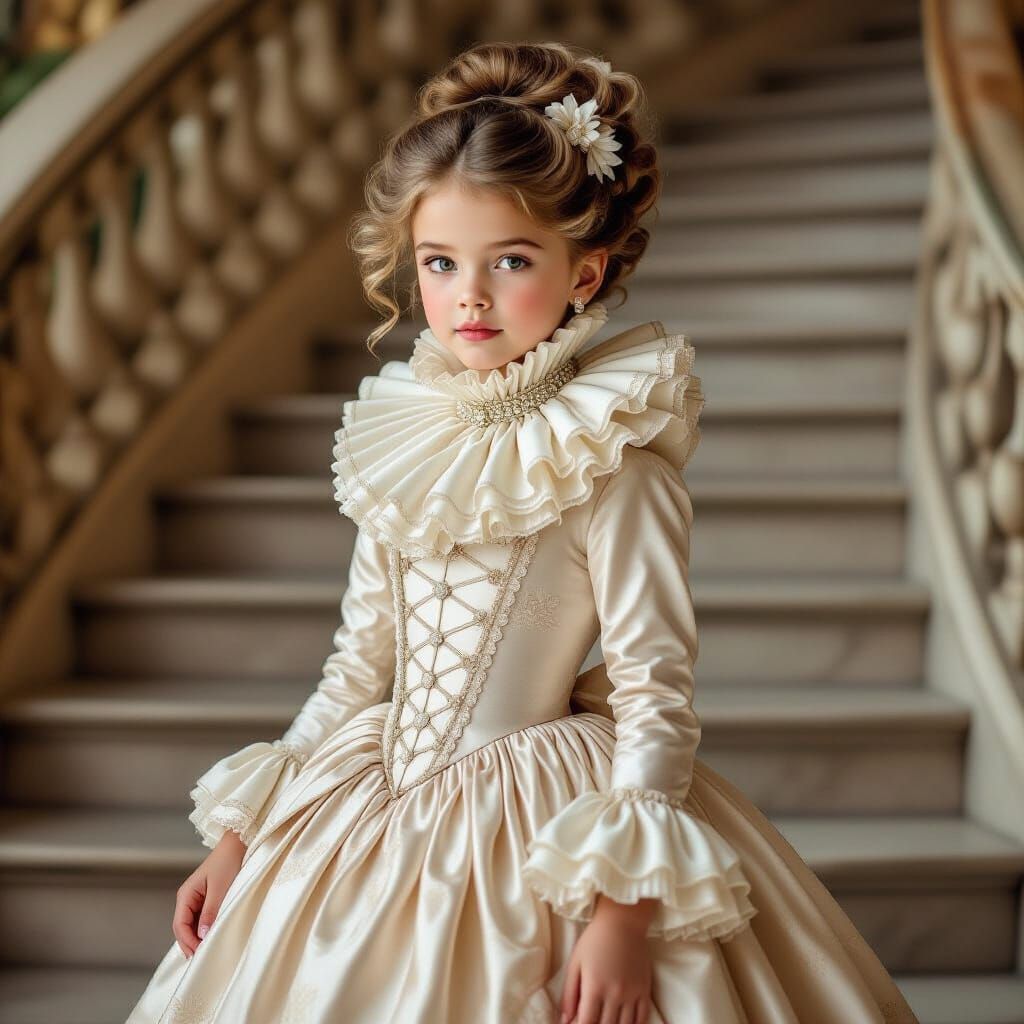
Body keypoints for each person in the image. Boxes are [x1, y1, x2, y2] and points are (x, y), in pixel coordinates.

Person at [127, 40, 919, 1024]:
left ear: (583, 273)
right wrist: (241, 835)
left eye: (510, 260)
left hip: (533, 820)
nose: (470, 294)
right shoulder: (403, 442)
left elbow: (653, 691)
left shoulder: (613, 462)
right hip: (369, 806)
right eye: (439, 262)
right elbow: (358, 664)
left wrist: (623, 905)